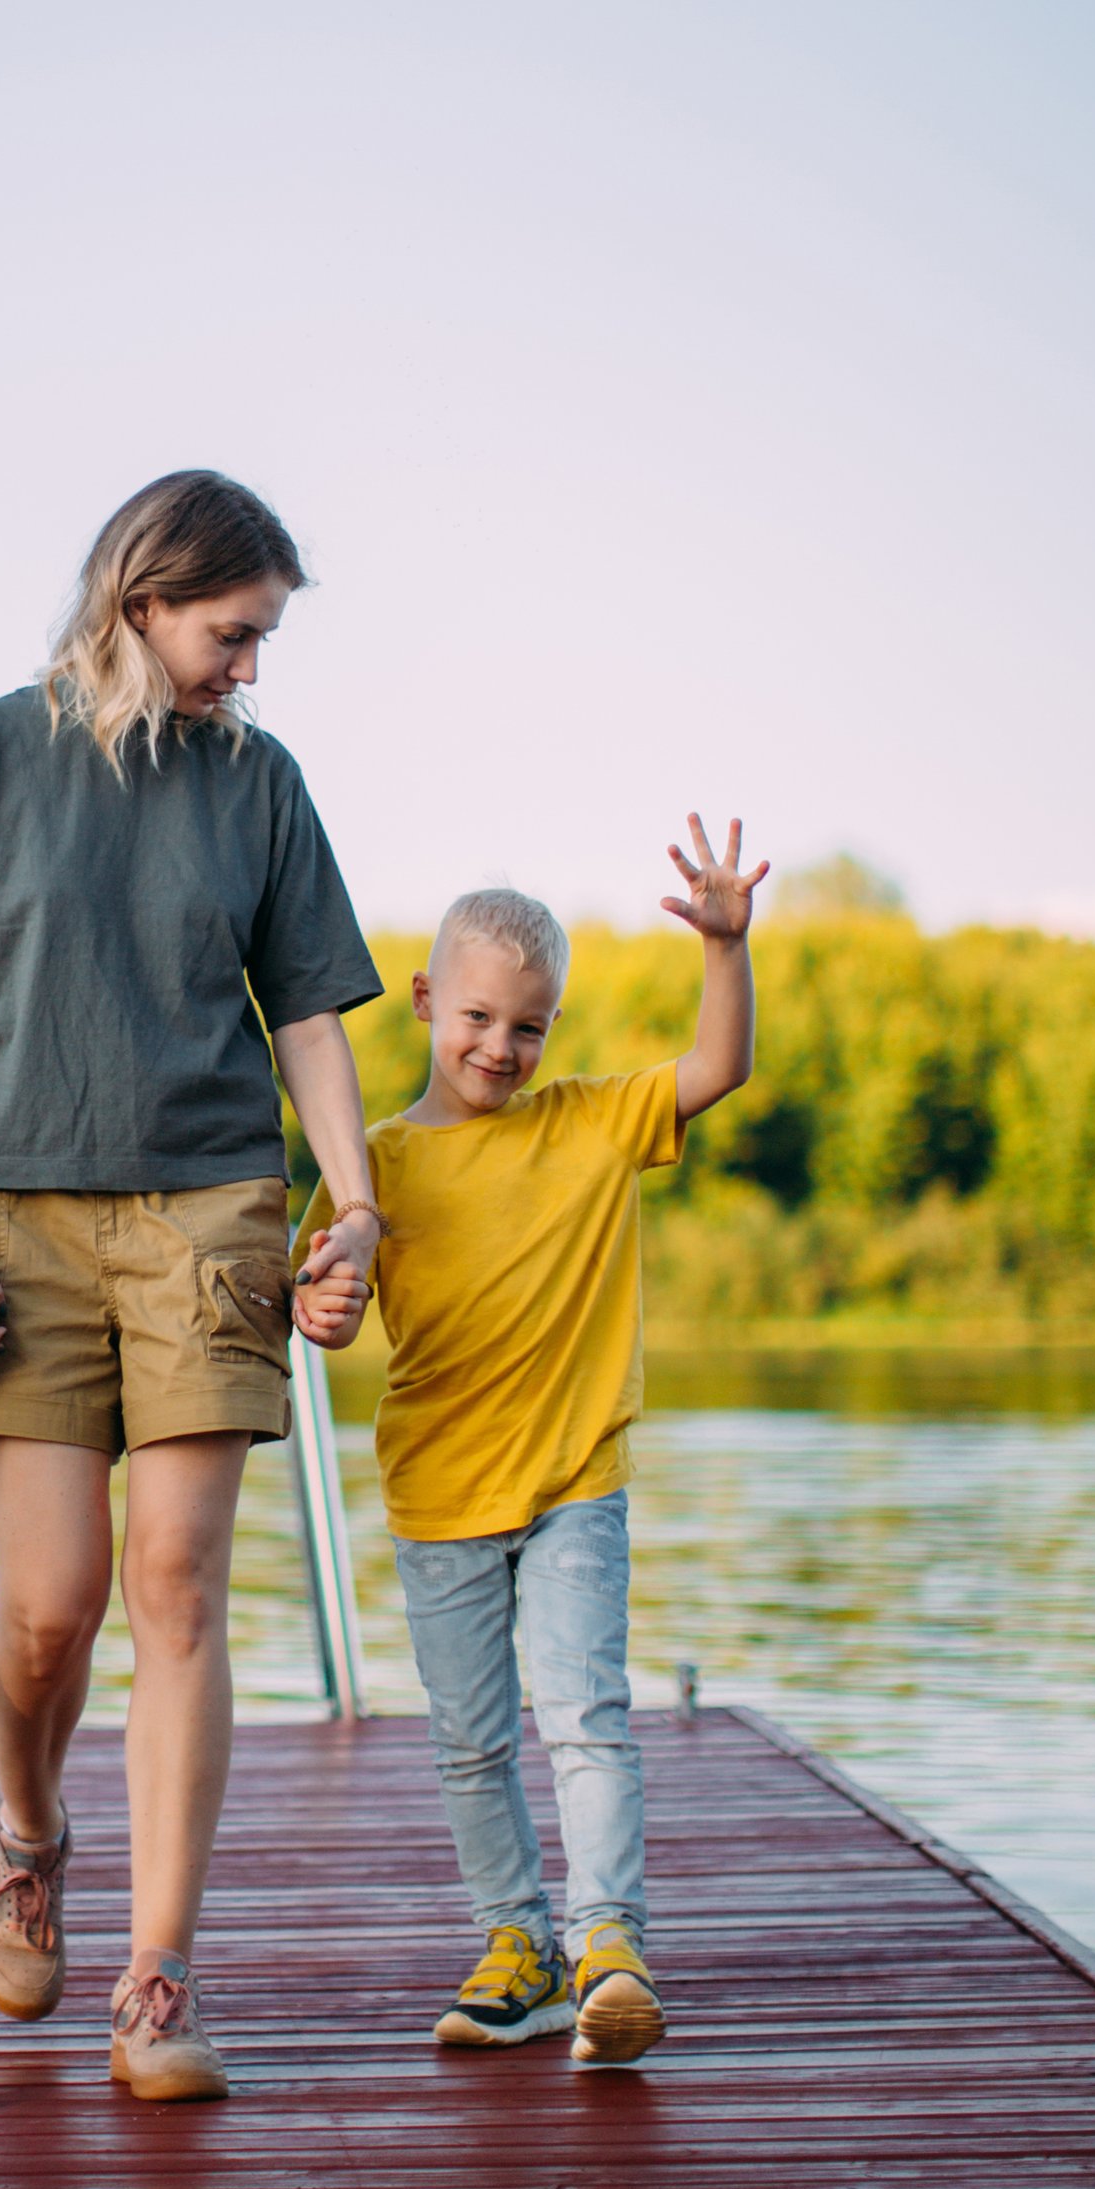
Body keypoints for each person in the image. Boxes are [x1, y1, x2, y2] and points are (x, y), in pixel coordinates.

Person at [0, 470, 385, 2101]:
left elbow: (307, 1015)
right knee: (48, 1609)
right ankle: (29, 1830)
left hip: (209, 1211)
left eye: (263, 638)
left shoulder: (262, 783)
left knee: (177, 1585)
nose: (249, 664)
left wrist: (354, 1204)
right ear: (146, 597)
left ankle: (158, 1978)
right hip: (13, 1216)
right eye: (235, 632)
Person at [294, 816, 768, 2066]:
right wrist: (324, 1298)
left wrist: (724, 949)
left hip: (572, 1486)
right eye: (477, 1020)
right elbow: (328, 1309)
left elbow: (716, 1066)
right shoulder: (374, 1163)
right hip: (439, 1493)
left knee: (584, 1716)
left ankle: (609, 1943)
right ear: (423, 1001)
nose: (500, 1048)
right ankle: (519, 1946)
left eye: (528, 1026)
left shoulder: (591, 1124)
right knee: (471, 1742)